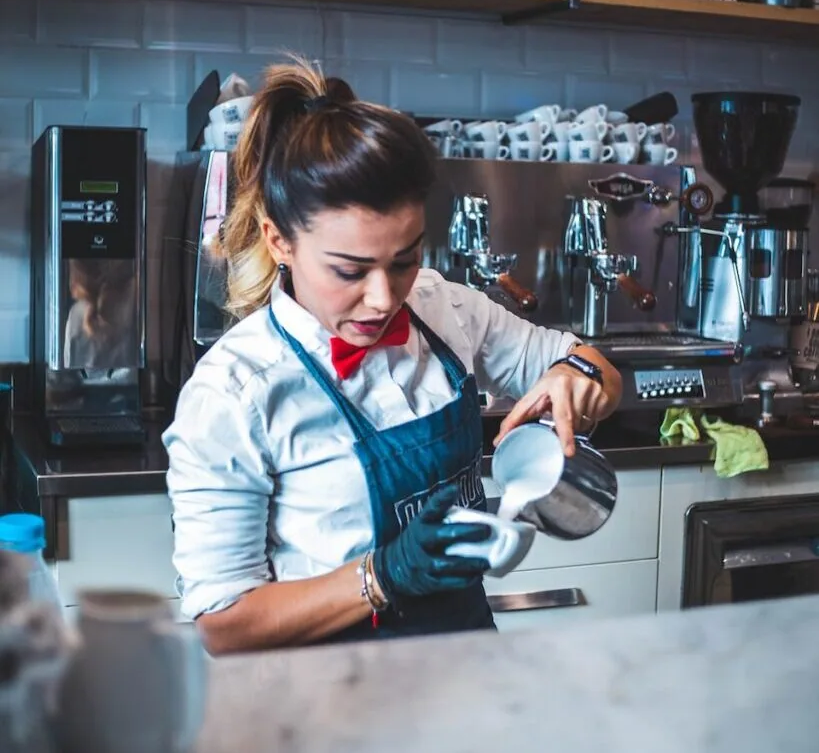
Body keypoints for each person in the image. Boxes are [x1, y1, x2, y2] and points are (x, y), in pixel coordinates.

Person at [163, 59, 622, 654]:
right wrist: (380, 577)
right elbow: (223, 624)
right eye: (349, 271)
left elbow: (588, 363)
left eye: (403, 259)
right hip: (324, 708)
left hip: (462, 672)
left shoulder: (443, 308)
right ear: (279, 240)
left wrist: (578, 376)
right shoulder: (234, 394)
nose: (383, 299)